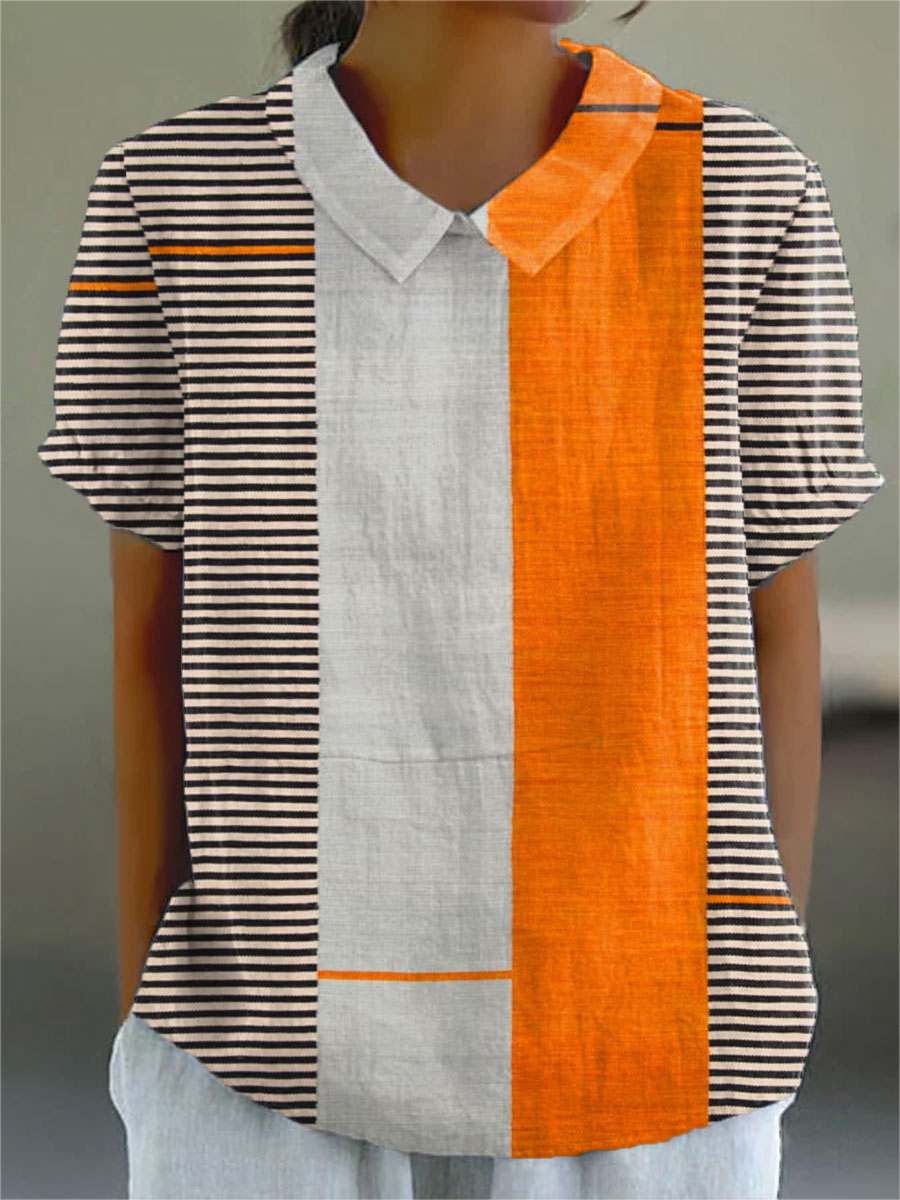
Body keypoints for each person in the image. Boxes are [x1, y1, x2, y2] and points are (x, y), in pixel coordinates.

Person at [36, 1, 887, 1198]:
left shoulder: (743, 189)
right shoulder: (176, 194)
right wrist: (157, 1036)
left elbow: (773, 636)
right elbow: (156, 642)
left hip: (653, 1059)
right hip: (257, 1061)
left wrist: (743, 989)